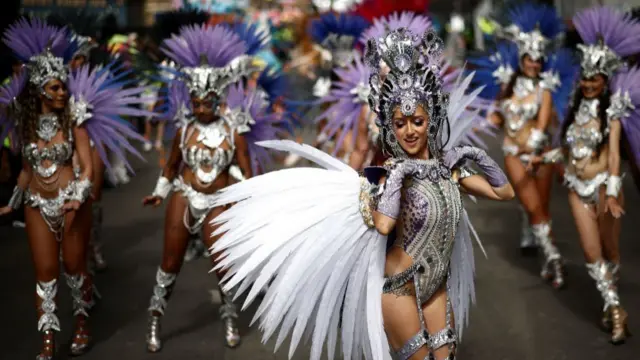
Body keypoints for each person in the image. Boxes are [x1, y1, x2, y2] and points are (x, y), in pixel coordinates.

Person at [209, 27, 514, 360]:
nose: (409, 130)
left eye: (417, 121)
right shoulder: (392, 176)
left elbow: (505, 193)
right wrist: (398, 176)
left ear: (431, 120)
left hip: (436, 286)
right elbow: (384, 225)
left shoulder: (449, 170)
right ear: (390, 126)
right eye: (400, 123)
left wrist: (478, 156)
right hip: (400, 289)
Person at [0, 18, 147, 359]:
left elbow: (88, 164)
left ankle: (82, 324)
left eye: (63, 86)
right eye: (54, 88)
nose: (62, 92)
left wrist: (80, 197)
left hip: (71, 204)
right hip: (37, 204)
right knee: (45, 274)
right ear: (38, 90)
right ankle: (48, 340)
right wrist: (12, 202)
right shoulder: (26, 125)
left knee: (75, 269)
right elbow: (26, 170)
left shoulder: (75, 120)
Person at [141, 23, 257, 352]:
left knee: (222, 265)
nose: (200, 109)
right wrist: (159, 192)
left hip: (218, 200)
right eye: (195, 103)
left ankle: (230, 316)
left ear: (217, 100)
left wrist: (248, 198)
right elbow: (171, 165)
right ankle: (154, 318)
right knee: (170, 263)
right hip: (186, 196)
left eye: (206, 103)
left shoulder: (234, 132)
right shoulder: (184, 130)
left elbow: (247, 172)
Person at [535, 6, 640, 344]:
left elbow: (612, 152)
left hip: (603, 187)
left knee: (611, 252)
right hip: (576, 188)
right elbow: (568, 148)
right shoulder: (574, 108)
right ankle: (615, 310)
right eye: (585, 78)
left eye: (595, 79)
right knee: (592, 254)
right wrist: (545, 156)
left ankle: (612, 300)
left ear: (605, 79)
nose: (589, 83)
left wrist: (610, 192)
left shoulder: (613, 110)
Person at [468, 3, 576, 288]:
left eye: (538, 60)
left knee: (540, 207)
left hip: (538, 156)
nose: (534, 64)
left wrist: (537, 150)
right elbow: (495, 116)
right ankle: (553, 257)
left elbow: (542, 124)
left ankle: (537, 240)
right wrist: (473, 127)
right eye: (530, 59)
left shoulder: (545, 90)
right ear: (522, 58)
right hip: (514, 153)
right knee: (530, 202)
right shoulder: (507, 87)